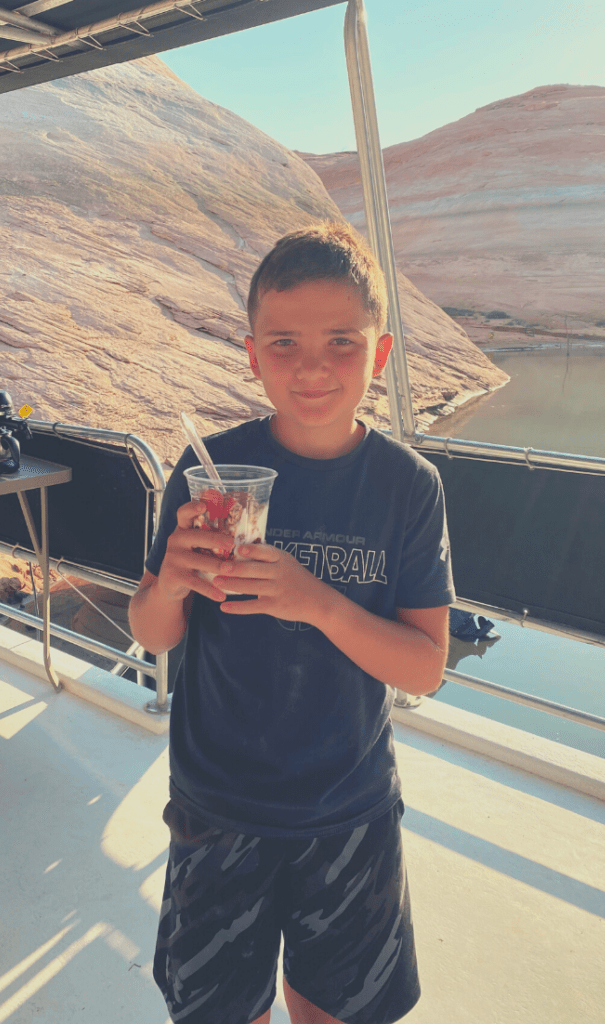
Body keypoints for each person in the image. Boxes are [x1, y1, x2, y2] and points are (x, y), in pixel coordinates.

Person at [129, 222, 455, 1024]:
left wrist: (316, 602)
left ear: (378, 355)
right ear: (252, 355)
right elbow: (152, 632)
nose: (311, 367)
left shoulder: (405, 487)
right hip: (217, 806)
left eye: (341, 341)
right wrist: (170, 581)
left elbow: (422, 668)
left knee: (334, 1010)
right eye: (283, 343)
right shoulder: (206, 475)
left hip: (348, 810)